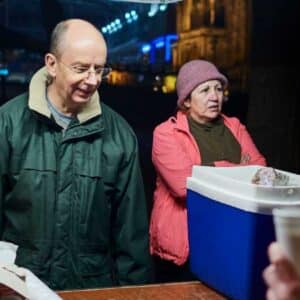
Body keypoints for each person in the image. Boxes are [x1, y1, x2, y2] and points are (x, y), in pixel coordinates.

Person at [0, 19, 153, 290]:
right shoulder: (8, 125)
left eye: (99, 69)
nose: (92, 80)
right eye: (81, 69)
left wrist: (135, 294)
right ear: (51, 64)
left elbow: (131, 236)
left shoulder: (119, 135)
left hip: (90, 290)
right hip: (21, 287)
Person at [149, 59, 267, 282]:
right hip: (186, 246)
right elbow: (183, 186)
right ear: (186, 101)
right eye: (205, 90)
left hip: (232, 238)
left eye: (219, 88)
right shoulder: (166, 133)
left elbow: (260, 171)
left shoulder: (235, 127)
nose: (215, 96)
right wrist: (239, 170)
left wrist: (206, 170)